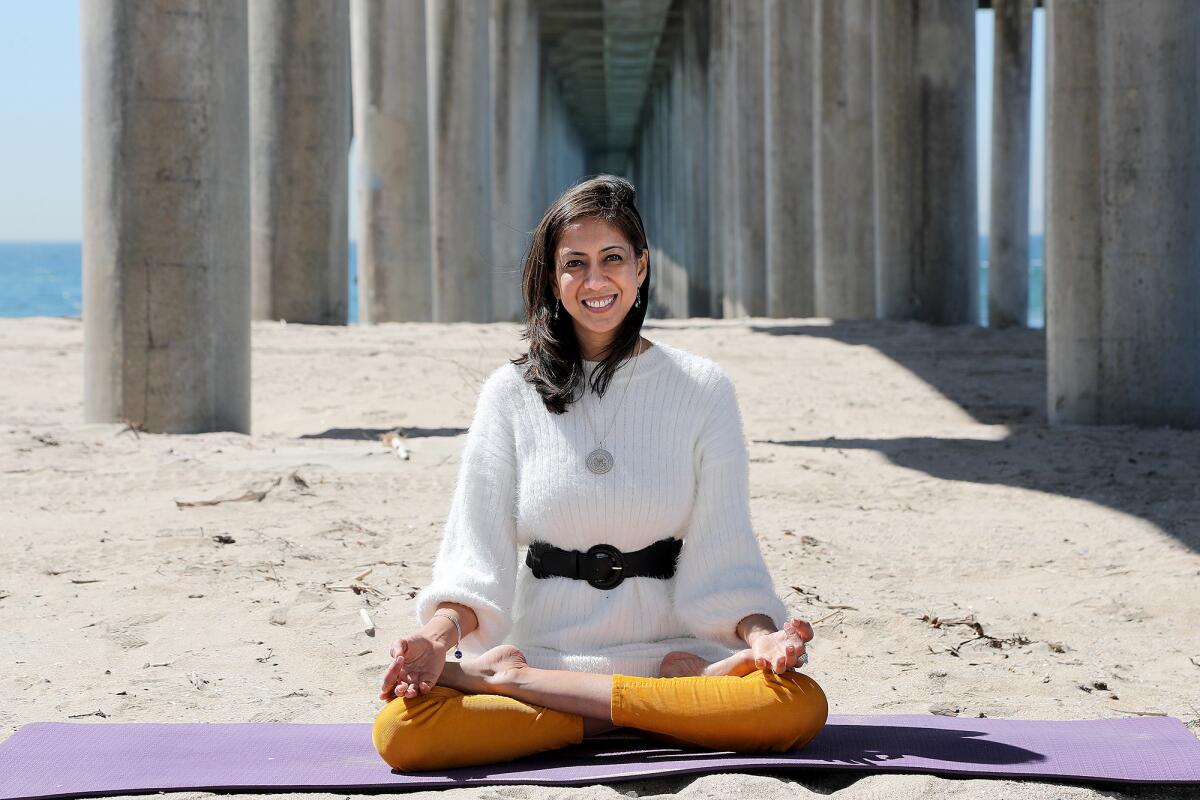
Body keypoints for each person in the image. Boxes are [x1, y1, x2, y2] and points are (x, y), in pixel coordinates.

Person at [373, 175, 828, 772]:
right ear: (551, 277)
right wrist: (434, 642)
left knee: (795, 708)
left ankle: (537, 697)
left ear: (640, 267)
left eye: (612, 258)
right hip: (551, 654)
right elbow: (473, 559)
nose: (595, 280)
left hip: (669, 653)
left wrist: (762, 637)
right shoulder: (509, 394)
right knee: (402, 732)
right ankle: (641, 714)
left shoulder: (703, 390)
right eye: (574, 263)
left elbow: (726, 556)